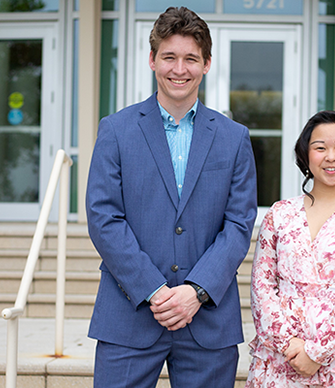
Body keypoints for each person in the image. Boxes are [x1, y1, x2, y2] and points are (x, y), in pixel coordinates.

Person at [85, 6, 258, 388]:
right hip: (128, 316)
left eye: (191, 59)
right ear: (152, 60)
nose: (179, 69)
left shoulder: (234, 138)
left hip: (208, 321)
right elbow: (103, 217)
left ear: (207, 64)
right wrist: (154, 290)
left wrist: (196, 291)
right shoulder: (115, 130)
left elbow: (239, 224)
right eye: (169, 57)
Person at [246, 111, 335, 387]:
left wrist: (315, 353)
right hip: (280, 357)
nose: (330, 156)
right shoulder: (280, 213)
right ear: (305, 155)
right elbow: (261, 285)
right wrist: (287, 344)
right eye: (320, 147)